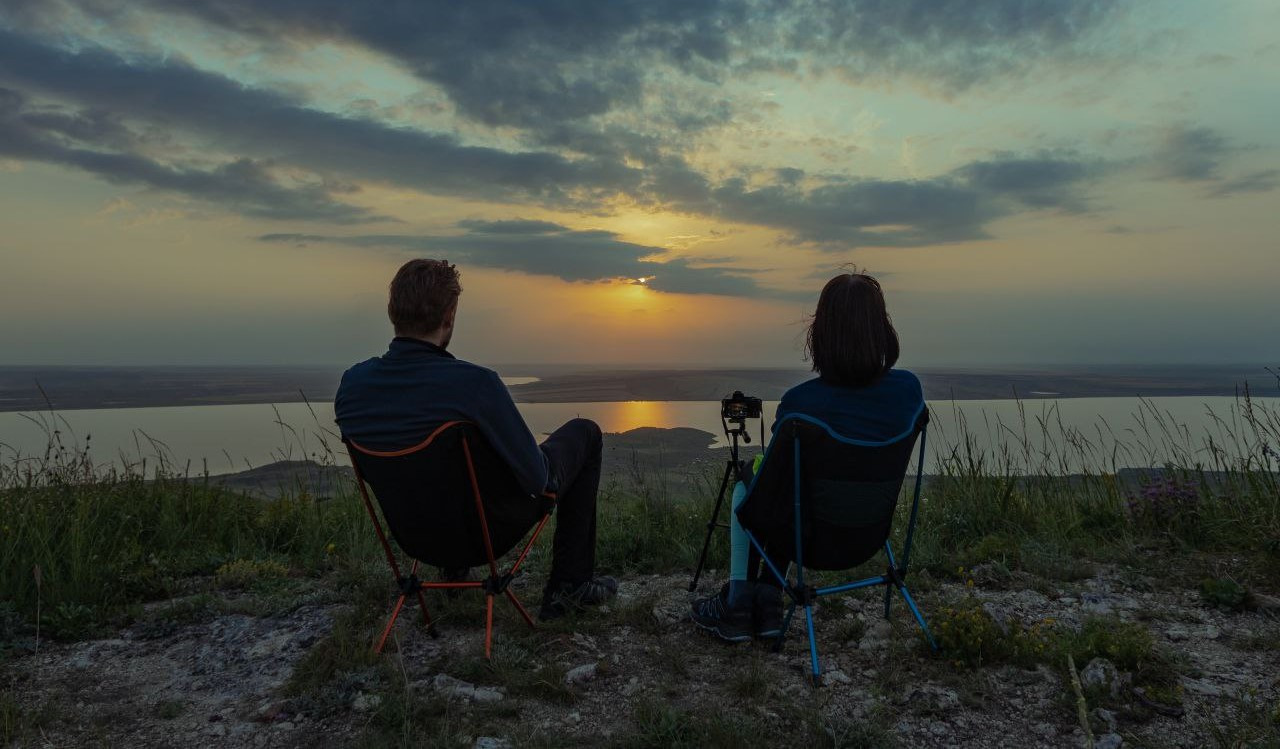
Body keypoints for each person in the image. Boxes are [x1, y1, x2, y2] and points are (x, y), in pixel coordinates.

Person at [334, 258, 617, 620]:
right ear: (449, 316)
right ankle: (570, 587)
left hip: (414, 536)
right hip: (487, 536)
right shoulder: (475, 386)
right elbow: (537, 479)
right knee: (585, 433)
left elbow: (379, 471)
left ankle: (451, 571)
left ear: (392, 311)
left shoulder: (352, 386)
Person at [690, 271, 925, 642]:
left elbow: (766, 498)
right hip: (869, 537)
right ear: (882, 329)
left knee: (752, 485)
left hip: (810, 542)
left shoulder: (802, 405)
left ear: (822, 333)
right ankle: (767, 601)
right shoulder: (909, 392)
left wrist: (749, 477)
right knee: (787, 490)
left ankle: (737, 603)